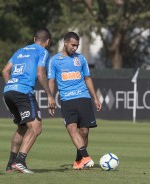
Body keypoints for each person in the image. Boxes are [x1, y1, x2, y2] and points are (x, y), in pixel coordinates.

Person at [2, 28, 55, 173]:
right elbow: (40, 73)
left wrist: (11, 86)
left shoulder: (20, 51)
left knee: (22, 127)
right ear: (48, 41)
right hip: (23, 91)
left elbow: (5, 71)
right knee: (36, 127)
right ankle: (20, 161)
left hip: (9, 91)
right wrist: (50, 95)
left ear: (34, 39)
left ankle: (10, 165)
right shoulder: (42, 52)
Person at [47, 32, 101, 170]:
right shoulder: (54, 60)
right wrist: (50, 97)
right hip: (67, 100)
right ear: (65, 43)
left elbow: (87, 78)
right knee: (71, 128)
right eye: (73, 45)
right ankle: (86, 157)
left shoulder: (81, 59)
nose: (75, 48)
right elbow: (51, 80)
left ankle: (79, 160)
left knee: (84, 131)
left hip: (83, 97)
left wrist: (95, 98)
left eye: (77, 45)